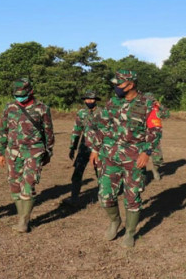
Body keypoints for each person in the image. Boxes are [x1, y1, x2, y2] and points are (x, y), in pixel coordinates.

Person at [89, 70, 162, 248]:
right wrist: (95, 148)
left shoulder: (148, 104)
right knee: (105, 195)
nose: (116, 88)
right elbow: (100, 126)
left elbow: (155, 130)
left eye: (120, 84)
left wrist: (146, 152)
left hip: (134, 157)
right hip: (110, 155)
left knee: (132, 196)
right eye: (115, 84)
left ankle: (130, 232)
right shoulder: (112, 102)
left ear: (131, 84)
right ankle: (115, 222)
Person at [0, 78, 54, 233]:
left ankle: (23, 221)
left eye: (22, 95)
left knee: (28, 184)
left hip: (34, 152)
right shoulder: (9, 107)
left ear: (31, 91)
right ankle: (22, 216)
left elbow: (48, 132)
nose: (20, 98)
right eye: (17, 95)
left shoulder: (42, 108)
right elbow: (3, 130)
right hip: (13, 152)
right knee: (14, 185)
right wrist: (1, 152)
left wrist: (48, 151)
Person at [64, 90, 102, 207]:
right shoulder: (81, 113)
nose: (89, 101)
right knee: (77, 173)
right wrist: (72, 147)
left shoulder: (103, 112)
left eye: (91, 99)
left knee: (100, 173)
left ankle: (103, 199)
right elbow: (77, 129)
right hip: (84, 147)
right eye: (87, 99)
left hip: (99, 148)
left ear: (95, 100)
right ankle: (74, 198)